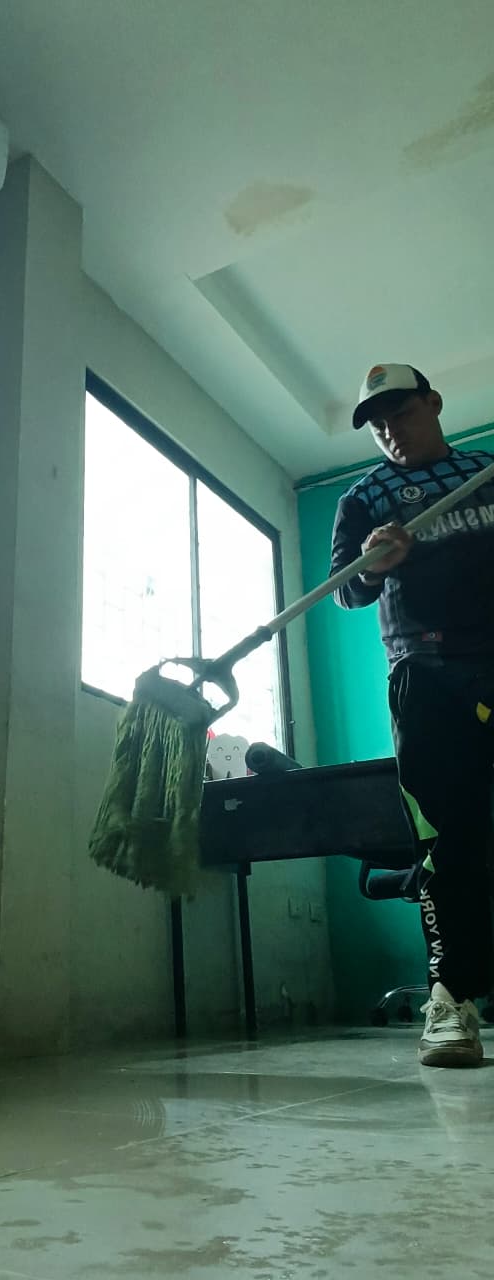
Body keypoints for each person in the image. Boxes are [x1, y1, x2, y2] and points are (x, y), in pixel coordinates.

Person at [330, 364, 494, 1067]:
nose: (391, 431)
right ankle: (451, 1001)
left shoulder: (484, 473)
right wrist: (373, 565)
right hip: (423, 675)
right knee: (448, 841)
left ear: (434, 403)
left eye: (402, 413)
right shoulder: (363, 498)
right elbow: (346, 592)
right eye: (378, 425)